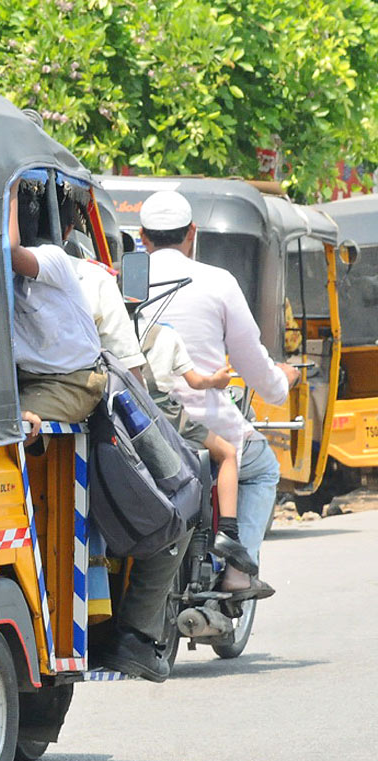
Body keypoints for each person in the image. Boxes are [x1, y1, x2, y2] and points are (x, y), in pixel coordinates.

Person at [137, 190, 298, 598]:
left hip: (134, 422)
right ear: (192, 233)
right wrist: (283, 382)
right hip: (200, 422)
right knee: (263, 467)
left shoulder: (122, 280)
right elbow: (252, 363)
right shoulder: (217, 281)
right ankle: (239, 571)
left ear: (142, 237)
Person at [141, 321, 257, 574]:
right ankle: (228, 531)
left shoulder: (108, 329)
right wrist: (218, 380)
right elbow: (195, 382)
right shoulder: (167, 334)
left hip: (127, 413)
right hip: (164, 415)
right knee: (227, 453)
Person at [8, 181, 106, 423]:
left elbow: (11, 251)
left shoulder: (54, 259)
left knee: (10, 425)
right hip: (26, 380)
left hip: (71, 383)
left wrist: (9, 187)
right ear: (67, 231)